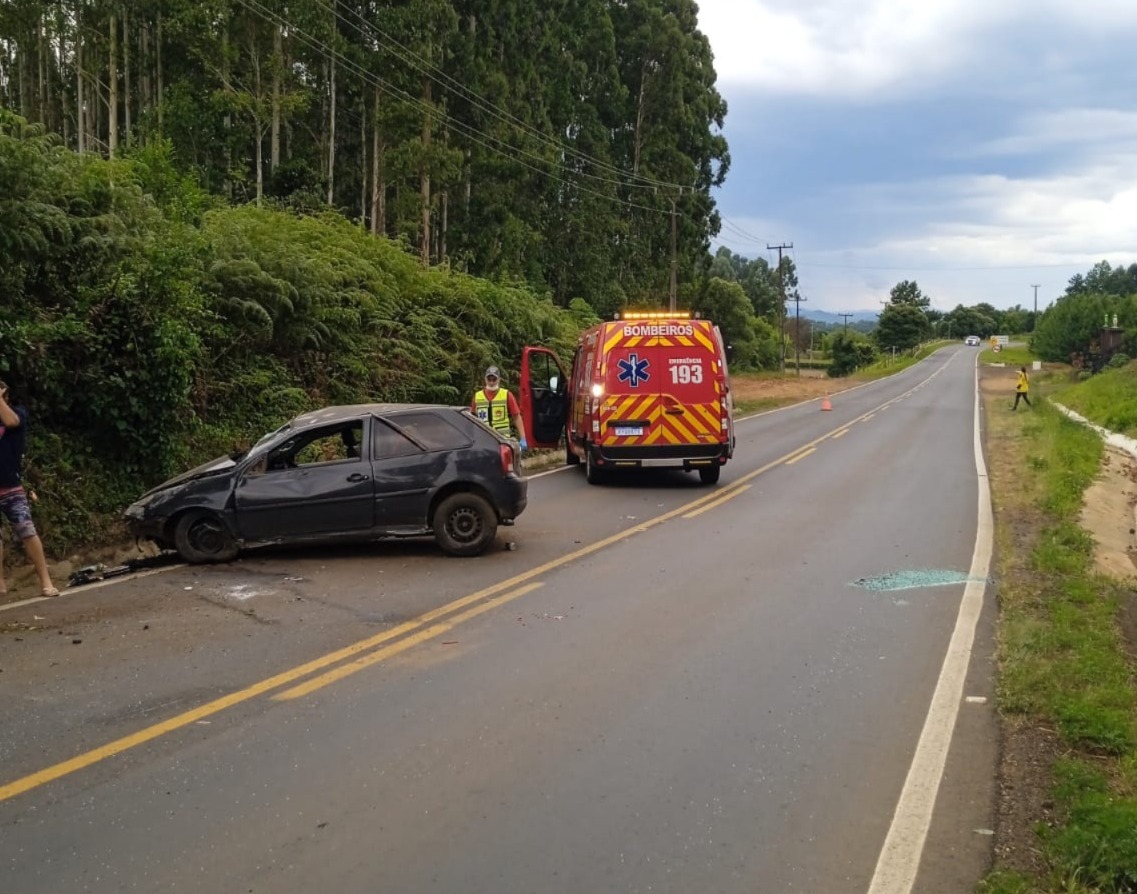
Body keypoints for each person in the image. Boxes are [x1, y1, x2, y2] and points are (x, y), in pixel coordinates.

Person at [0, 380, 59, 597]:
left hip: (11, 486)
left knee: (27, 531)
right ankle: (0, 584)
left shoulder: (18, 414)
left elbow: (12, 421)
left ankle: (46, 582)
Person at [471, 366, 527, 451]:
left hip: (503, 442)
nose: (491, 382)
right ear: (485, 379)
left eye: (494, 379)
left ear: (499, 380)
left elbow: (516, 417)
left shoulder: (507, 395)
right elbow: (472, 419)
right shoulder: (477, 396)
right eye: (489, 379)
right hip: (483, 442)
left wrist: (523, 438)